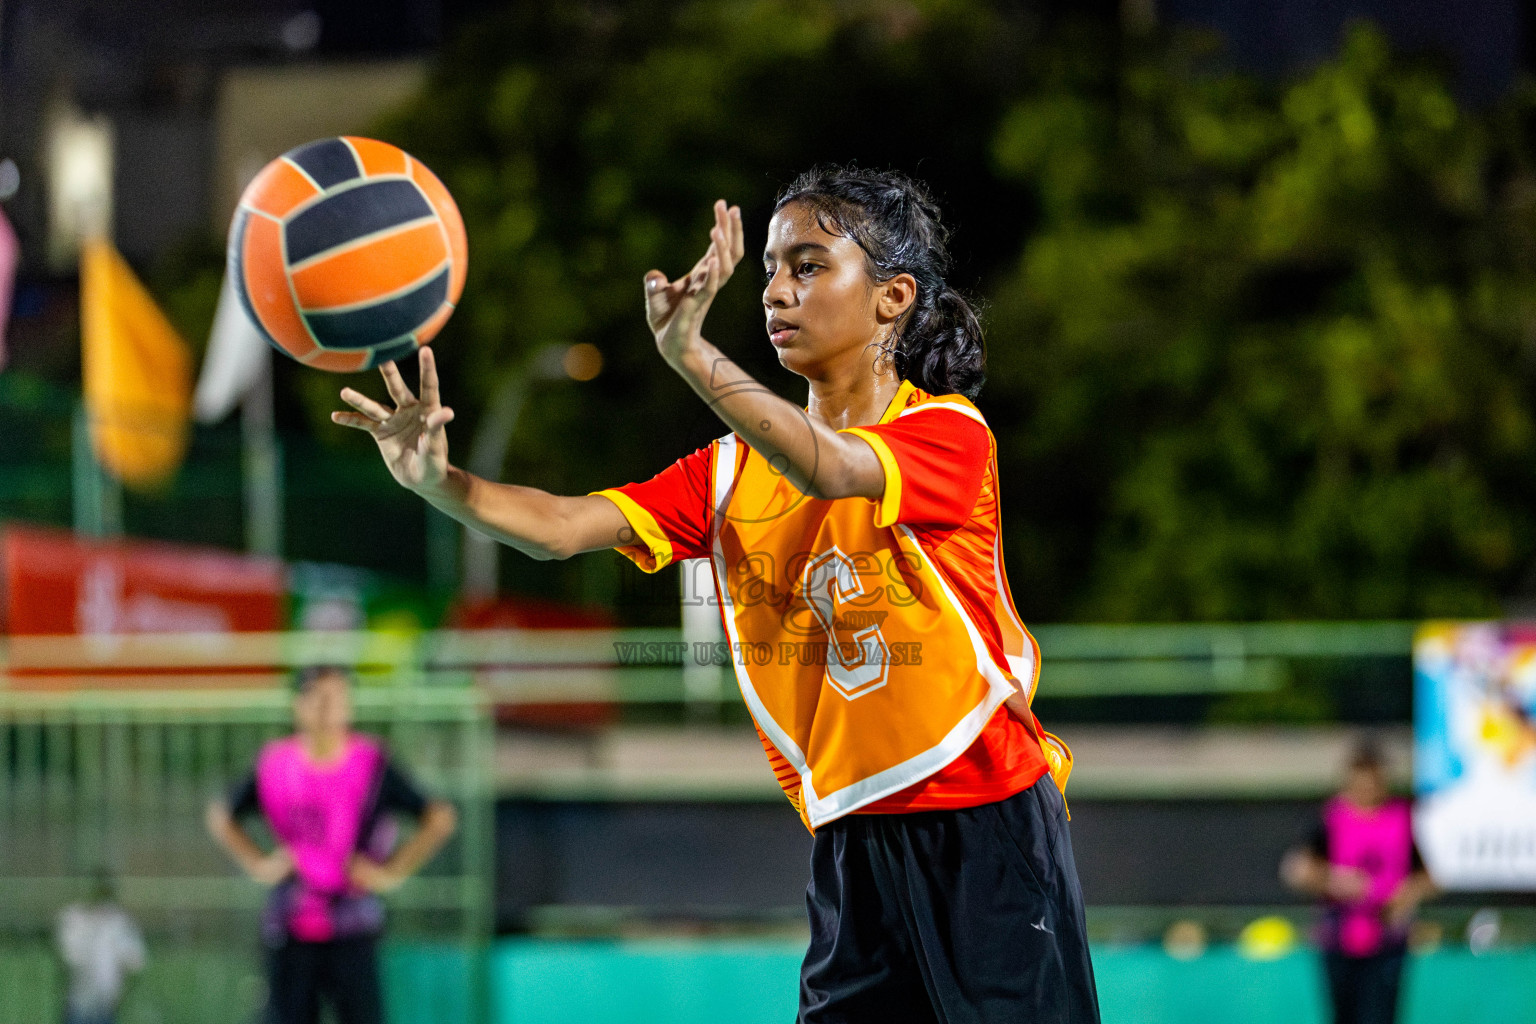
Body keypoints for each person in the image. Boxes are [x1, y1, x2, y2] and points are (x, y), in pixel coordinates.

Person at [333, 165, 1099, 1022]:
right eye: (769, 268)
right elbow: (558, 526)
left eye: (808, 266)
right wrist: (436, 481)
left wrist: (691, 355)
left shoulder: (946, 432)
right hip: (849, 839)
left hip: (985, 819)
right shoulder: (730, 473)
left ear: (893, 299)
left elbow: (827, 464)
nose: (775, 290)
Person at [205, 665, 458, 1024]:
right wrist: (259, 864)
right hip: (291, 925)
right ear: (299, 705)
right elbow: (221, 815)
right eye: (319, 698)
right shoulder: (275, 764)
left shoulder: (372, 764)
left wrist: (390, 874)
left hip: (353, 926)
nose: (328, 709)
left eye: (338, 699)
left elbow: (439, 818)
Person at [1281, 738, 1438, 1024]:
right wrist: (1334, 881)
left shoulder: (1402, 818)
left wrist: (1405, 896)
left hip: (1387, 941)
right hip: (1339, 939)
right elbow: (1297, 869)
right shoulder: (1332, 819)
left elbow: (1429, 877)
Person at [55, 869, 146, 1024]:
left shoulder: (119, 922)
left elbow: (135, 960)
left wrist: (120, 992)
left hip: (106, 1003)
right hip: (79, 1001)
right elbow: (69, 956)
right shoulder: (72, 917)